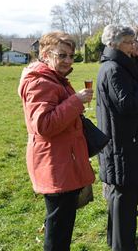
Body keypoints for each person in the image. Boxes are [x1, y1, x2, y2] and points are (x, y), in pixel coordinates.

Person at [18, 31, 95, 251]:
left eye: (71, 56)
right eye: (62, 55)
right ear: (45, 53)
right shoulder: (39, 82)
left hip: (62, 161)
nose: (68, 61)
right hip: (54, 164)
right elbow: (43, 125)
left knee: (61, 226)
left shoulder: (53, 78)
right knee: (58, 232)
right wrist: (76, 102)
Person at [96, 25, 138, 250]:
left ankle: (119, 243)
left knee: (121, 198)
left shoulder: (122, 66)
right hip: (121, 145)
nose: (135, 46)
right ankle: (123, 246)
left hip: (124, 142)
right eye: (131, 42)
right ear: (115, 44)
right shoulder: (113, 69)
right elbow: (127, 104)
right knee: (123, 199)